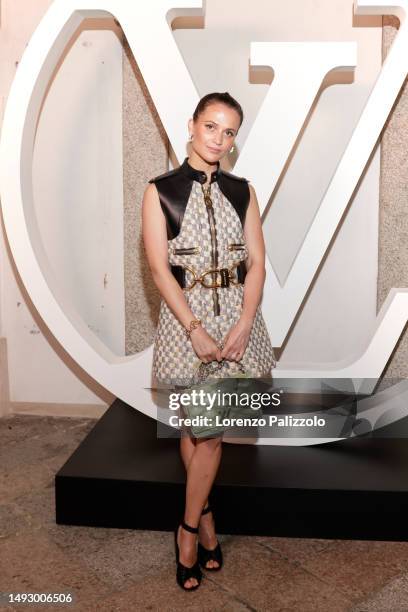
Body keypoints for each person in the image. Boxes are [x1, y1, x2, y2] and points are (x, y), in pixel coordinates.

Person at [142, 92, 276, 591]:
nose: (219, 139)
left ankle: (192, 527)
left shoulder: (243, 190)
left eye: (229, 131)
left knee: (208, 432)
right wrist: (195, 330)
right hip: (186, 326)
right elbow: (159, 268)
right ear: (192, 125)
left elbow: (257, 262)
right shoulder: (161, 190)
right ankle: (197, 528)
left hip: (237, 324)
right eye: (211, 127)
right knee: (201, 431)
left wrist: (243, 323)